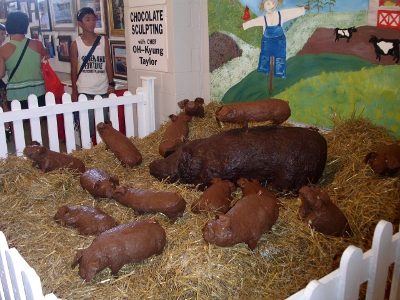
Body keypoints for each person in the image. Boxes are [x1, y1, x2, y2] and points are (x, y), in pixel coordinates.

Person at [0, 11, 46, 140]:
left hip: (16, 94)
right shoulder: (37, 44)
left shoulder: (3, 50)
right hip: (38, 91)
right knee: (37, 127)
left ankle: (21, 153)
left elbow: (1, 73)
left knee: (18, 127)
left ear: (8, 27)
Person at [70, 7, 115, 138]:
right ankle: (87, 151)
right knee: (87, 126)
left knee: (104, 126)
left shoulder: (103, 41)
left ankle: (104, 152)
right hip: (85, 89)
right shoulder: (76, 44)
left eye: (93, 19)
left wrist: (111, 84)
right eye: (87, 19)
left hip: (102, 88)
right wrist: (74, 91)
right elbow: (73, 69)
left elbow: (108, 63)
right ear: (80, 23)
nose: (92, 22)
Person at [241, 0, 309, 78]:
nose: (271, 6)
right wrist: (244, 25)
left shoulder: (281, 15)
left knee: (280, 59)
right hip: (267, 42)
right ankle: (264, 74)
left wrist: (302, 9)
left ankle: (279, 75)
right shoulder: (263, 18)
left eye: (273, 2)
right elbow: (254, 22)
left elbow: (292, 12)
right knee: (265, 58)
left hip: (279, 42)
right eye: (268, 4)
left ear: (277, 2)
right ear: (264, 5)